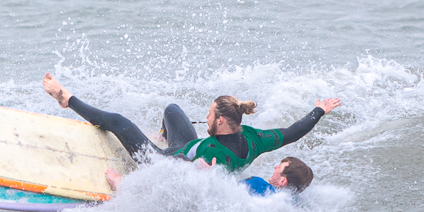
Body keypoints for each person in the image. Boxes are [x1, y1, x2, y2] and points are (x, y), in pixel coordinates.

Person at [42, 73, 340, 173]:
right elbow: (292, 133)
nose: (206, 117)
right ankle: (161, 134)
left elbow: (183, 177)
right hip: (186, 148)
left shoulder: (212, 156)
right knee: (172, 110)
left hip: (162, 163)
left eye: (209, 115)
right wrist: (318, 110)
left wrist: (201, 174)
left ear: (220, 121)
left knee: (119, 122)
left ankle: (66, 99)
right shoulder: (254, 138)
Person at [243, 157, 313, 196]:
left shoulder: (256, 183)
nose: (275, 167)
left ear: (282, 181)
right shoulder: (295, 202)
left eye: (279, 167)